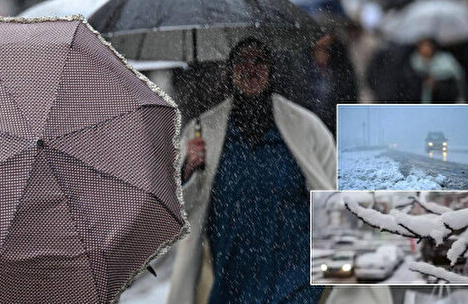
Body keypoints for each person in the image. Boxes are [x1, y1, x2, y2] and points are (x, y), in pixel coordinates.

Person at [166, 39, 390, 304]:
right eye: (242, 62)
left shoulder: (306, 128)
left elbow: (337, 195)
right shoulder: (202, 133)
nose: (251, 69)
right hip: (234, 279)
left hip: (294, 277)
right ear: (230, 70)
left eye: (259, 61)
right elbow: (181, 210)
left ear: (271, 69)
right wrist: (188, 170)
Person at [409, 38, 467, 103]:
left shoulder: (445, 61)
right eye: (422, 46)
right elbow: (410, 85)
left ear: (433, 47)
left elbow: (456, 84)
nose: (425, 50)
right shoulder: (414, 63)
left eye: (427, 46)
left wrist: (438, 85)